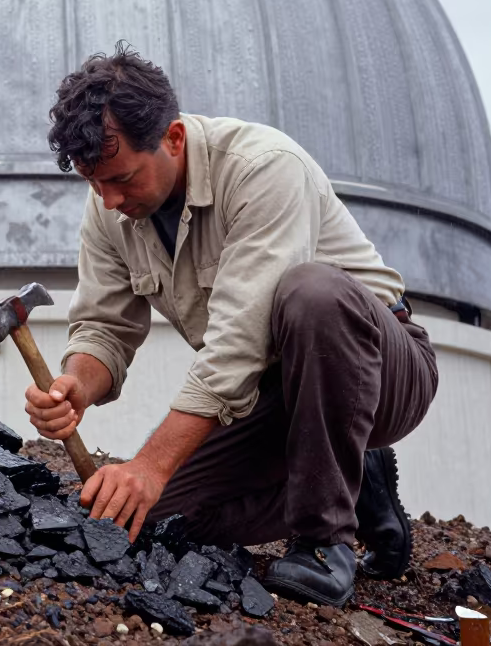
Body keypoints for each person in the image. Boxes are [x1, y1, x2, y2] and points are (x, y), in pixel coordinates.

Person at [25, 43, 438, 607]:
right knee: (155, 522)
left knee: (312, 293)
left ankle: (324, 540)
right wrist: (78, 384)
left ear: (173, 138)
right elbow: (105, 328)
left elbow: (238, 345)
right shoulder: (110, 206)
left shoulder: (264, 168)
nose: (110, 199)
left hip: (381, 371)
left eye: (122, 179)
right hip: (270, 396)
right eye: (95, 184)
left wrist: (148, 464)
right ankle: (353, 478)